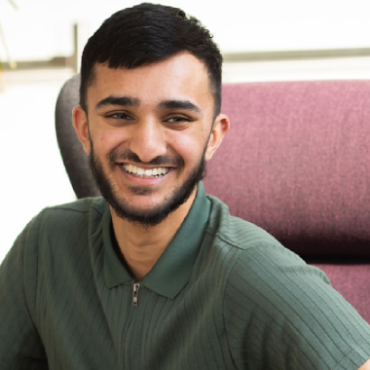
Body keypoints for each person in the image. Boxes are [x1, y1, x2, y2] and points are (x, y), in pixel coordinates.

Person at [1, 3, 370, 369]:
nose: (146, 147)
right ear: (83, 128)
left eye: (176, 118)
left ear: (213, 136)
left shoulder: (256, 273)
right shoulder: (45, 247)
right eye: (119, 115)